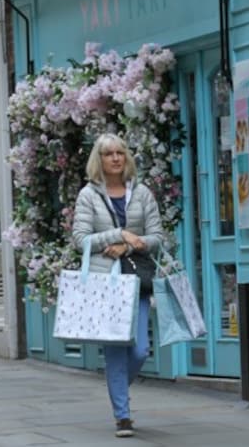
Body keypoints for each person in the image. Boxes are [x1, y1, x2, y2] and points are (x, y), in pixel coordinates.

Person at [71, 133, 164, 437]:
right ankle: (122, 415)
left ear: (126, 157)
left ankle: (118, 386)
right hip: (104, 284)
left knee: (139, 350)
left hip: (136, 280)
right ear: (99, 160)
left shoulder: (143, 194)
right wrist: (118, 235)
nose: (115, 158)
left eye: (119, 153)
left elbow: (157, 239)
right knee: (115, 350)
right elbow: (80, 240)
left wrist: (129, 246)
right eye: (108, 153)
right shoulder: (88, 195)